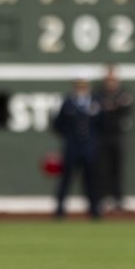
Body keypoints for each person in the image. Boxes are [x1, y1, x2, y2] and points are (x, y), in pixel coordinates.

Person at [52, 77, 103, 220]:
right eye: (79, 87)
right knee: (66, 179)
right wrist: (69, 136)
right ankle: (60, 209)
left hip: (89, 147)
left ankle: (94, 209)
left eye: (84, 87)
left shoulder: (95, 103)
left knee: (91, 180)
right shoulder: (68, 103)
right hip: (72, 147)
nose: (81, 90)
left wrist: (93, 139)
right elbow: (58, 124)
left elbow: (103, 124)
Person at [96, 66, 133, 213]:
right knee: (102, 169)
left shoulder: (123, 94)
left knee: (117, 169)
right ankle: (103, 199)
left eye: (113, 80)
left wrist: (112, 106)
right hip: (102, 137)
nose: (111, 82)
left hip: (117, 136)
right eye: (108, 79)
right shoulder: (99, 95)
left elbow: (125, 107)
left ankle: (118, 199)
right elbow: (99, 110)